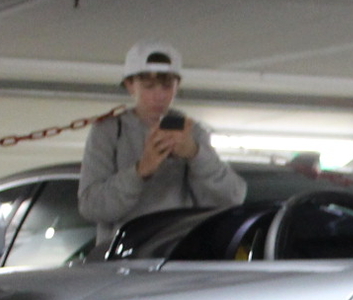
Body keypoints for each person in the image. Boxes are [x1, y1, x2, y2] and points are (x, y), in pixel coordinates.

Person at [78, 42, 245, 252]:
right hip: (122, 256)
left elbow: (232, 197)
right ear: (130, 86)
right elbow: (92, 207)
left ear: (177, 86)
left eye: (167, 86)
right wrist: (140, 171)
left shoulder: (191, 131)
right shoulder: (109, 131)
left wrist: (195, 154)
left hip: (177, 252)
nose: (159, 96)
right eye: (149, 86)